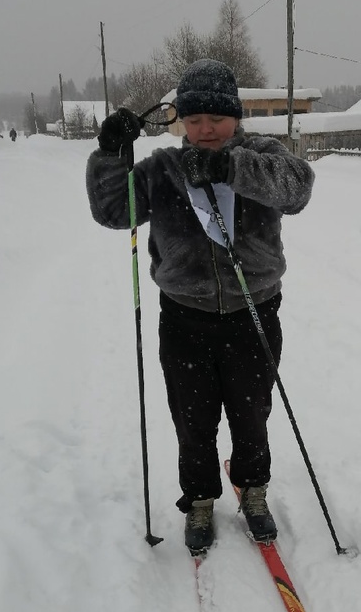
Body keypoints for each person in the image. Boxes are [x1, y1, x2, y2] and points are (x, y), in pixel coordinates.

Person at [86, 59, 315, 554]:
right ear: (181, 122)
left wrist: (228, 168)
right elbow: (113, 210)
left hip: (254, 312)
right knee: (193, 419)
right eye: (194, 120)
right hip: (185, 320)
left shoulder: (261, 156)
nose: (205, 129)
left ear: (235, 116)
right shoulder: (165, 170)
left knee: (251, 414)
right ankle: (200, 499)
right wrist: (110, 153)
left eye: (215, 117)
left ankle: (254, 491)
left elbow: (298, 187)